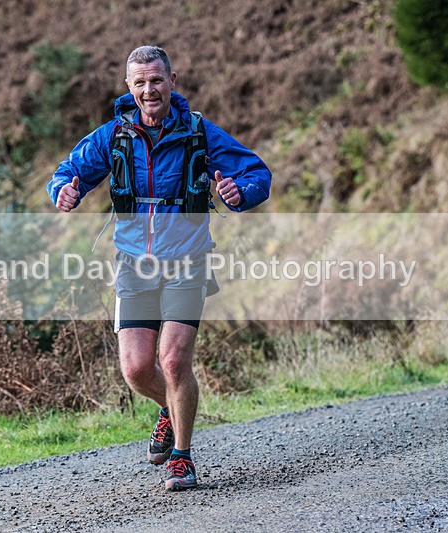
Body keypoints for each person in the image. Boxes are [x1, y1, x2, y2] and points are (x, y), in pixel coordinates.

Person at [48, 46, 271, 491]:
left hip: (188, 260)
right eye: (140, 83)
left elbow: (257, 174)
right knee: (135, 370)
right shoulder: (113, 136)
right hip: (134, 264)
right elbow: (68, 171)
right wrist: (63, 191)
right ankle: (169, 409)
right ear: (128, 87)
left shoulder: (199, 133)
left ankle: (183, 459)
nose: (149, 90)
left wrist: (238, 192)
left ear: (172, 80)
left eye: (156, 80)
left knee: (172, 360)